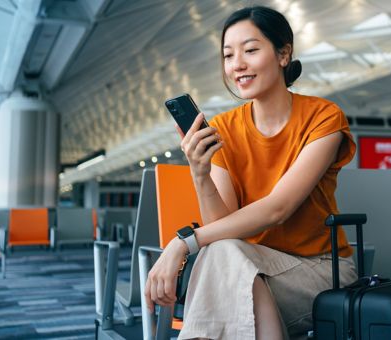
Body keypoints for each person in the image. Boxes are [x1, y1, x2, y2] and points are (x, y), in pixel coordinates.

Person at [145, 5, 358, 340]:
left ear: (283, 53)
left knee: (222, 261)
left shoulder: (323, 117)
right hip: (245, 264)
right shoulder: (225, 129)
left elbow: (278, 208)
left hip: (318, 268)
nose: (237, 65)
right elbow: (223, 229)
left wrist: (183, 243)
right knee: (224, 255)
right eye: (228, 55)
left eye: (251, 50)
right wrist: (200, 172)